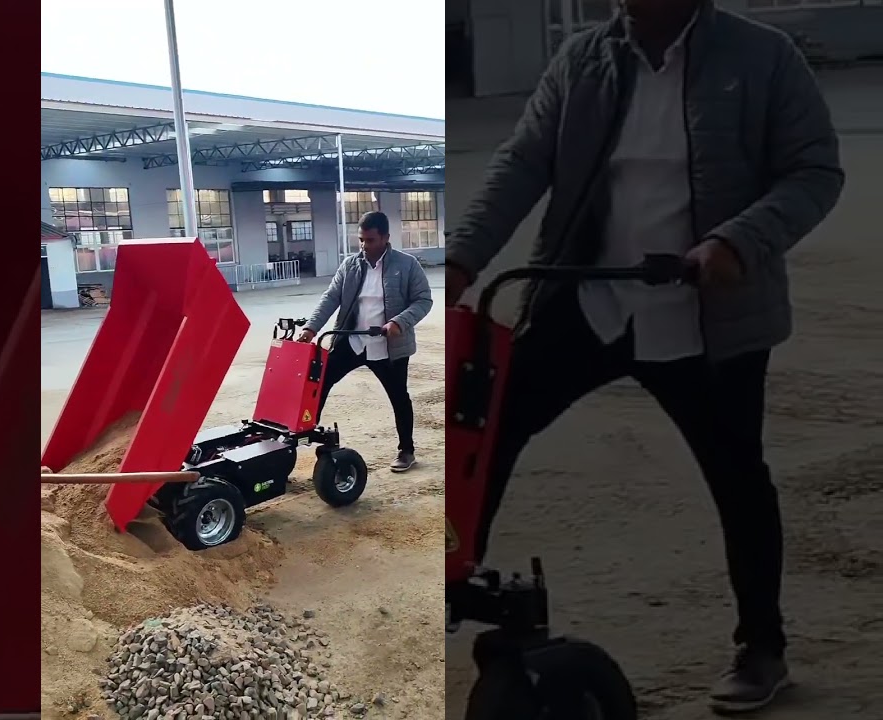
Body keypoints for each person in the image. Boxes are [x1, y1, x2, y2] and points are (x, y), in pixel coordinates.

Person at [445, 0, 843, 714]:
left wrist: (736, 243)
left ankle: (763, 648)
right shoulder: (584, 61)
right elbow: (524, 162)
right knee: (484, 438)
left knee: (738, 477)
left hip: (706, 315)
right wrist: (464, 258)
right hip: (589, 298)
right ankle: (451, 582)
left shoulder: (762, 57)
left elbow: (814, 172)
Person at [298, 211, 434, 472]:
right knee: (320, 382)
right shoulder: (350, 265)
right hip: (352, 341)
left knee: (399, 397)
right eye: (361, 239)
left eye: (370, 240)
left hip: (388, 347)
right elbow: (330, 298)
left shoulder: (407, 265)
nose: (364, 245)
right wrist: (311, 328)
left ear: (385, 237)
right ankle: (306, 431)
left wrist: (398, 322)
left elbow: (423, 300)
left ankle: (406, 451)